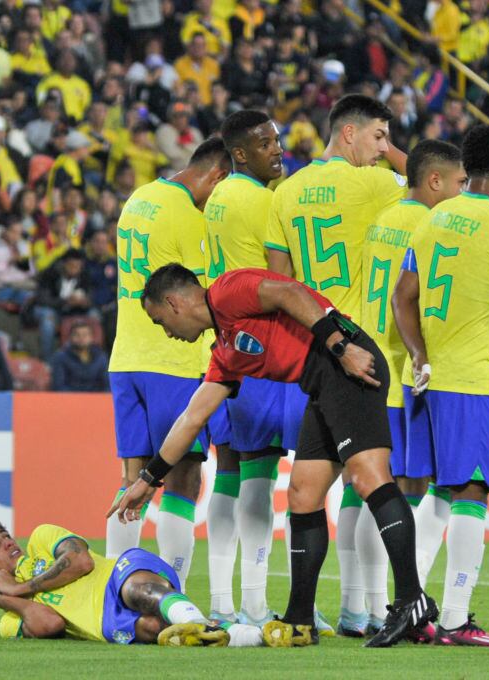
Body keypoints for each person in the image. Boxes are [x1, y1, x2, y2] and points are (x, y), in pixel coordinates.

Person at [108, 264, 437, 649]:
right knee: (302, 495)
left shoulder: (228, 290)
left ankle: (412, 601)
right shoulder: (226, 351)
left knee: (369, 478)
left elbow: (289, 293)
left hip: (347, 363)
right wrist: (148, 480)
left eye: (160, 320)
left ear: (174, 302)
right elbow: (191, 418)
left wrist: (342, 348)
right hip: (321, 382)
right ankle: (300, 619)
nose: (166, 331)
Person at [265, 94, 407, 637]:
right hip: (357, 347)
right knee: (367, 479)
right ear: (348, 134)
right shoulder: (373, 185)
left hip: (313, 353)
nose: (381, 148)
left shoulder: (288, 191)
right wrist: (394, 153)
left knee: (312, 486)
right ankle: (399, 600)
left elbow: (279, 281)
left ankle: (339, 608)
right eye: (376, 136)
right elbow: (432, 182)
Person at [392, 124, 489, 646]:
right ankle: (454, 618)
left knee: (437, 494)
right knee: (471, 492)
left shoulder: (431, 220)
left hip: (422, 379)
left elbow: (401, 298)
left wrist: (419, 354)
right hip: (469, 379)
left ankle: (413, 607)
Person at [105, 138, 230, 588]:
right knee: (182, 478)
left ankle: (115, 589)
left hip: (126, 358)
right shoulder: (188, 216)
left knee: (131, 479)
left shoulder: (140, 198)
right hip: (172, 359)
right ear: (216, 176)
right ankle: (173, 590)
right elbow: (203, 295)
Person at [357, 139, 465, 634]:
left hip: (369, 362)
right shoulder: (430, 224)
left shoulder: (383, 218)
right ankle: (406, 601)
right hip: (406, 372)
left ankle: (370, 602)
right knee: (412, 491)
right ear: (436, 181)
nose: (464, 193)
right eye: (460, 183)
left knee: (378, 492)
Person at [200, 110, 286, 627]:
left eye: (275, 140)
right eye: (264, 143)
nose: (276, 149)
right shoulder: (262, 200)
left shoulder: (219, 197)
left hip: (225, 344)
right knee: (259, 469)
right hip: (259, 348)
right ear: (238, 153)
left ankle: (220, 601)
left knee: (228, 471)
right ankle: (254, 603)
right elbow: (282, 277)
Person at [0, 516, 261, 646]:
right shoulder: (10, 619)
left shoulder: (40, 538)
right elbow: (50, 625)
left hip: (118, 575)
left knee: (138, 591)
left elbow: (80, 561)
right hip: (107, 622)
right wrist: (6, 597)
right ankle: (254, 637)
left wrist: (20, 587)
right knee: (156, 628)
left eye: (4, 536)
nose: (7, 542)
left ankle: (200, 622)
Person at [33, 248, 94, 360]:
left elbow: (92, 297)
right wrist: (65, 301)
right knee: (48, 321)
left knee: (95, 316)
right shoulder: (50, 274)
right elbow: (42, 299)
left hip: (74, 311)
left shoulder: (84, 276)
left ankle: (93, 359)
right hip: (50, 309)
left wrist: (85, 302)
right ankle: (48, 361)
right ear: (64, 264)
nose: (74, 269)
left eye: (77, 266)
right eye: (71, 265)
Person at [50, 321, 109, 392]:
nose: (81, 338)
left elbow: (107, 385)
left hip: (96, 399)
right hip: (69, 400)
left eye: (85, 335)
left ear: (92, 338)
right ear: (70, 337)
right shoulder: (60, 357)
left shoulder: (101, 357)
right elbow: (59, 386)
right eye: (77, 335)